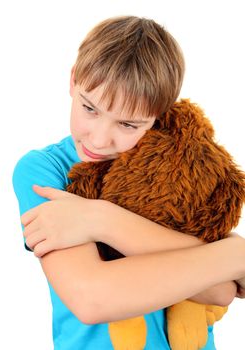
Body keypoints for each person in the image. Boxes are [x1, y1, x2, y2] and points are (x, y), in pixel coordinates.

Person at [13, 15, 245, 350]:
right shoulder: (45, 171)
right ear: (73, 81)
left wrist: (100, 220)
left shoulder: (179, 166)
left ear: (159, 114)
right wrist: (233, 254)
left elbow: (219, 291)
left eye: (128, 124)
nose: (99, 139)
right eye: (90, 108)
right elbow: (92, 299)